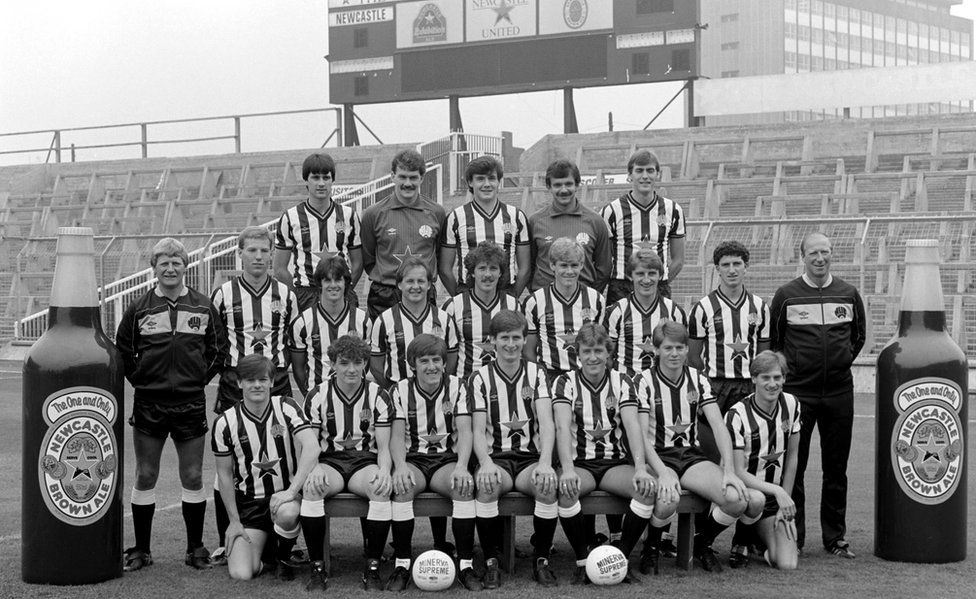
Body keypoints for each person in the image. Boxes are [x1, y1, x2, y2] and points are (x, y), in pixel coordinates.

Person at [116, 237, 227, 572]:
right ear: (154, 268)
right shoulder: (139, 308)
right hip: (150, 403)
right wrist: (146, 383)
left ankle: (195, 548)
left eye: (176, 261)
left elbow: (218, 352)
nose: (170, 268)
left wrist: (195, 382)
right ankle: (141, 550)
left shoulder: (203, 306)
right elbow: (124, 353)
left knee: (192, 475)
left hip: (190, 403)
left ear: (185, 266)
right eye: (163, 262)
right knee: (146, 473)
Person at [210, 226, 305, 563]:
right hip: (236, 383)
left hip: (275, 382)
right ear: (240, 253)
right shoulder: (223, 295)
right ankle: (229, 535)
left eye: (265, 251)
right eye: (252, 251)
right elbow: (215, 342)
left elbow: (294, 344)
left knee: (287, 459)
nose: (259, 257)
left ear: (271, 253)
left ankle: (287, 541)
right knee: (230, 460)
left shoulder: (287, 294)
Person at [770, 232, 865, 558]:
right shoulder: (786, 295)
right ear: (803, 256)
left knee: (836, 468)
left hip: (839, 392)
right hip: (799, 395)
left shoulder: (849, 294)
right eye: (813, 253)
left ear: (832, 254)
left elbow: (858, 338)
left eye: (825, 252)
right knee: (794, 467)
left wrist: (837, 365)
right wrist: (799, 371)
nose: (820, 258)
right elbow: (776, 341)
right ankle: (793, 537)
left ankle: (835, 538)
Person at [633, 321, 749, 574]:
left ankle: (701, 543)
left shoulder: (698, 379)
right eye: (667, 348)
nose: (674, 353)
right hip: (658, 456)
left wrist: (729, 469)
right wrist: (662, 471)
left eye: (679, 347)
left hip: (691, 457)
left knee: (737, 500)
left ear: (687, 349)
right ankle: (651, 547)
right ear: (656, 350)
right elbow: (640, 435)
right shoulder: (642, 381)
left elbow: (718, 425)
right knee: (667, 500)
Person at [550, 322, 657, 584]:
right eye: (587, 351)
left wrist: (641, 468)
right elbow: (562, 427)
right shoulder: (565, 382)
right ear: (577, 354)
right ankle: (583, 561)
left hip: (613, 464)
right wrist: (567, 470)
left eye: (599, 350)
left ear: (608, 353)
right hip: (580, 464)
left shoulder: (623, 381)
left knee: (646, 489)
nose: (593, 357)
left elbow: (632, 426)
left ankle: (619, 559)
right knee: (566, 490)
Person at [688, 240, 770, 567]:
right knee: (714, 461)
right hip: (716, 389)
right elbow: (694, 358)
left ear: (746, 267)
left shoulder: (760, 307)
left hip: (748, 390)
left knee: (748, 461)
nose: (732, 270)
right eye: (726, 265)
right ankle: (701, 535)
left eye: (737, 264)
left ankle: (742, 541)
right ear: (717, 269)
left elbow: (763, 356)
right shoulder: (703, 308)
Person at [467, 310, 557, 587]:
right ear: (492, 340)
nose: (510, 344)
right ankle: (491, 561)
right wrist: (485, 463)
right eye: (504, 338)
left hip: (530, 458)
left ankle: (541, 559)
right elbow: (477, 430)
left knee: (546, 486)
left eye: (516, 337)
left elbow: (547, 424)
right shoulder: (479, 377)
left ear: (524, 339)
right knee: (487, 486)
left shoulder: (537, 373)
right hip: (496, 458)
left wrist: (545, 463)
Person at [299, 335, 395, 591]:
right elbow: (309, 444)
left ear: (365, 363)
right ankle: (317, 568)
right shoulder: (317, 394)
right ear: (333, 364)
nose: (351, 369)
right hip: (328, 460)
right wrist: (315, 468)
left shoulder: (378, 395)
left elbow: (384, 448)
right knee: (312, 488)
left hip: (364, 461)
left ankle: (372, 568)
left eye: (357, 362)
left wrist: (385, 470)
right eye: (344, 363)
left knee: (380, 487)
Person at [212, 354, 320, 581]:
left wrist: (291, 492)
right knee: (241, 573)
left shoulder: (287, 407)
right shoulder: (225, 422)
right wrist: (233, 521)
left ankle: (282, 557)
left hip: (285, 499)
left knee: (288, 512)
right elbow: (223, 475)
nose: (257, 385)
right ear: (239, 383)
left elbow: (312, 447)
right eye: (250, 380)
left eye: (262, 379)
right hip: (250, 505)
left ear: (271, 381)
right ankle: (269, 553)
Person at [386, 335, 474, 591]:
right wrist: (400, 466)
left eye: (436, 360)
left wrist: (462, 466)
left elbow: (466, 431)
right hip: (414, 459)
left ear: (445, 363)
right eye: (424, 361)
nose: (431, 366)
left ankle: (465, 566)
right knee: (401, 487)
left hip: (446, 460)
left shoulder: (458, 386)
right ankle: (402, 564)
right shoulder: (400, 389)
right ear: (412, 364)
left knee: (463, 487)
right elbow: (395, 435)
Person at [726, 351, 801, 571]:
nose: (772, 384)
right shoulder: (737, 414)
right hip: (745, 494)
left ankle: (761, 541)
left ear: (784, 379)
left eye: (777, 378)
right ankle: (740, 539)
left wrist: (783, 505)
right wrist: (778, 492)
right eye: (766, 378)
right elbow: (738, 471)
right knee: (755, 500)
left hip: (772, 502)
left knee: (787, 564)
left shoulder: (792, 404)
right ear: (754, 379)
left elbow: (792, 458)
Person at [360, 149, 446, 319]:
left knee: (424, 344)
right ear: (392, 176)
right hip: (384, 294)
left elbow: (438, 255)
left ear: (422, 177)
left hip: (421, 291)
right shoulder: (373, 213)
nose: (408, 183)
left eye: (413, 177)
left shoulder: (437, 212)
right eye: (402, 177)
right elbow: (369, 259)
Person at [274, 152, 363, 311]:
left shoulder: (349, 216)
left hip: (340, 290)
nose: (321, 183)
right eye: (315, 177)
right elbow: (280, 268)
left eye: (326, 177)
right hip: (306, 293)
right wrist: (296, 296)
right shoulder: (291, 217)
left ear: (332, 180)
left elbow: (357, 264)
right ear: (306, 181)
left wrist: (345, 289)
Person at [439, 156, 532, 297]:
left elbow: (525, 268)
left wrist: (512, 297)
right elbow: (445, 269)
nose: (487, 184)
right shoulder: (456, 217)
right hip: (468, 293)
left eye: (492, 178)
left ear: (499, 181)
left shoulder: (516, 216)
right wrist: (460, 298)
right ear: (470, 182)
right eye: (480, 179)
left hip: (505, 292)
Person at [600, 150, 685, 303]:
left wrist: (658, 280)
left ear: (657, 174)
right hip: (621, 288)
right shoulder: (611, 211)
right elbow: (603, 260)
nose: (645, 176)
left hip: (658, 287)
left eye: (650, 170)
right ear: (630, 175)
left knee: (660, 328)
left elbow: (678, 260)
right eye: (639, 170)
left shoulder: (673, 209)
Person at [370, 256, 458, 391]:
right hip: (398, 399)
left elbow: (451, 362)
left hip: (436, 396)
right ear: (399, 284)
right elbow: (376, 366)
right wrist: (395, 391)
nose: (416, 286)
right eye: (410, 281)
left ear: (429, 285)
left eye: (421, 281)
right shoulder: (384, 320)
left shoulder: (444, 319)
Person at [523, 237, 603, 384]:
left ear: (581, 265)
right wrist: (538, 380)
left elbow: (601, 345)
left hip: (584, 376)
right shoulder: (534, 301)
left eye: (574, 265)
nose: (569, 271)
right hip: (549, 375)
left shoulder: (596, 299)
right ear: (552, 265)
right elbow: (529, 351)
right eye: (563, 265)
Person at [290, 256, 370, 398]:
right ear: (319, 284)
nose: (333, 285)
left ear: (346, 283)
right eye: (327, 280)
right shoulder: (302, 322)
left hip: (355, 398)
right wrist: (310, 396)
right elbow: (298, 369)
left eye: (338, 279)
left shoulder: (362, 320)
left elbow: (366, 362)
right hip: (317, 400)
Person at [527, 159, 611, 293]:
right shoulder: (535, 221)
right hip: (545, 303)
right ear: (549, 187)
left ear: (577, 185)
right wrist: (540, 294)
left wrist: (588, 295)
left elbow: (604, 268)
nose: (564, 190)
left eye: (568, 184)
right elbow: (528, 266)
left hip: (583, 303)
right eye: (557, 185)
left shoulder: (595, 221)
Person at [441, 241, 520, 382]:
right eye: (482, 268)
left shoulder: (513, 305)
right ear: (472, 272)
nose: (487, 274)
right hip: (466, 385)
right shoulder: (453, 306)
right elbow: (445, 353)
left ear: (501, 272)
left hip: (504, 384)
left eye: (493, 268)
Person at [605, 249, 686, 379]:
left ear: (660, 276)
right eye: (640, 274)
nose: (646, 280)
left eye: (652, 274)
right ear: (631, 276)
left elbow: (682, 354)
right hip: (626, 387)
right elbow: (607, 356)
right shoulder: (616, 311)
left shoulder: (674, 312)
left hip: (661, 385)